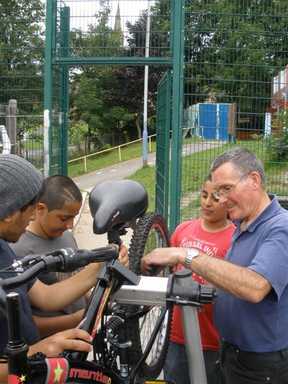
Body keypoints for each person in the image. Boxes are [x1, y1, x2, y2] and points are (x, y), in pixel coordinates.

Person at [142, 147, 288, 384]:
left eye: (227, 189)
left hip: (260, 364)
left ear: (254, 180)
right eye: (218, 191)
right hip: (230, 352)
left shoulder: (281, 228)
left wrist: (186, 255)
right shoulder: (243, 223)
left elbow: (254, 287)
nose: (221, 199)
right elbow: (230, 278)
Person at [0, 154, 127, 382]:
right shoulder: (16, 245)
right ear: (9, 212)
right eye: (30, 208)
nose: (32, 218)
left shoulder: (3, 248)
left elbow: (47, 296)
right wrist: (38, 352)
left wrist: (100, 265)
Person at [164, 177, 235, 384]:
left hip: (211, 338)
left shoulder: (233, 238)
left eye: (215, 198)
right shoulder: (182, 230)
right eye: (204, 195)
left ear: (228, 202)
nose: (207, 203)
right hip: (176, 334)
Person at [11, 175, 87, 337]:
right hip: (50, 348)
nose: (70, 225)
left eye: (74, 217)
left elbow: (78, 280)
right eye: (64, 218)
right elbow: (26, 323)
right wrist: (78, 319)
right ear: (40, 209)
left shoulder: (65, 236)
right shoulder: (18, 250)